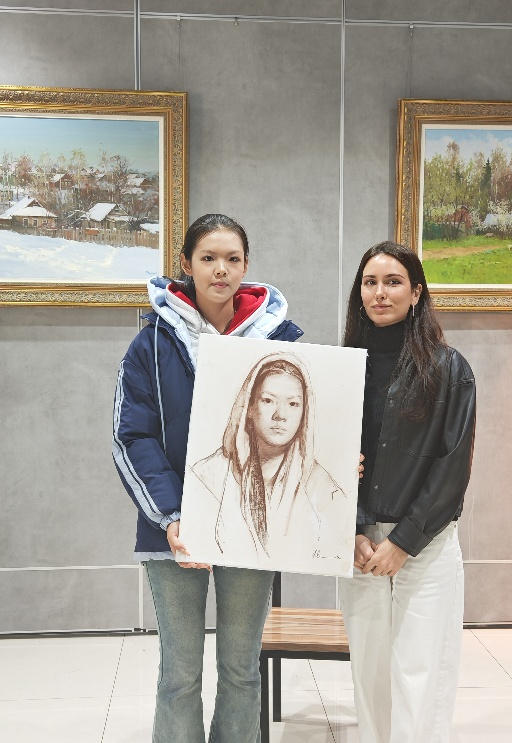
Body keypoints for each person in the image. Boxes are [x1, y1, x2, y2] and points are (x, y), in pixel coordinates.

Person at [112, 213, 302, 743]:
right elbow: (132, 436)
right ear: (186, 264)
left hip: (252, 527)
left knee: (241, 670)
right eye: (209, 258)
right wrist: (172, 515)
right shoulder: (150, 344)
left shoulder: (278, 340)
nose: (221, 269)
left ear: (246, 265)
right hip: (174, 529)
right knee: (179, 674)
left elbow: (298, 428)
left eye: (232, 259)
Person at [338, 241, 476, 743]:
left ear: (416, 292)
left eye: (393, 282)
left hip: (425, 544)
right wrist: (355, 528)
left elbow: (452, 467)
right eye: (370, 282)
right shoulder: (341, 367)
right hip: (359, 544)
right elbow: (328, 458)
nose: (380, 292)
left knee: (419, 676)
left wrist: (403, 542)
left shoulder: (449, 368)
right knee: (370, 674)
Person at [186, 352, 348, 566]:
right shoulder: (208, 476)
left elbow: (335, 548)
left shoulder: (323, 487)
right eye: (268, 400)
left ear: (305, 413)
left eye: (293, 404)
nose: (280, 415)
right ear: (249, 407)